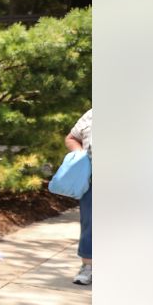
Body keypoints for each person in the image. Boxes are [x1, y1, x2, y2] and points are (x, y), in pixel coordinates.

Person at [65, 108, 92, 285]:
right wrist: (80, 155)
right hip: (93, 179)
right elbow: (72, 138)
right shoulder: (92, 114)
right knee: (90, 223)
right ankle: (88, 267)